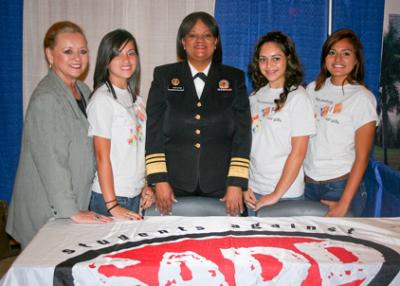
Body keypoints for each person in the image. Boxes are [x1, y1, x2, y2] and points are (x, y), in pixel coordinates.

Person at [6, 21, 111, 249]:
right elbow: (52, 163)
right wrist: (71, 211)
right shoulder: (47, 99)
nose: (77, 58)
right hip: (48, 211)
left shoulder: (82, 90)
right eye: (68, 51)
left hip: (73, 202)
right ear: (49, 55)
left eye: (82, 51)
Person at [145, 11, 251, 216]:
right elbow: (154, 131)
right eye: (193, 35)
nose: (200, 40)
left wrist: (236, 183)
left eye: (207, 35)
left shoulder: (233, 78)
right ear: (183, 42)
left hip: (223, 186)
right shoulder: (164, 76)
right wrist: (159, 180)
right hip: (173, 185)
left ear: (216, 41)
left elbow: (243, 134)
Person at [303, 29, 378, 217]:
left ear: (356, 60)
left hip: (340, 186)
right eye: (332, 52)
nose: (338, 59)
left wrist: (344, 203)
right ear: (325, 57)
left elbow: (362, 157)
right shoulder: (313, 89)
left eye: (346, 53)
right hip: (306, 184)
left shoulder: (362, 97)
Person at [244, 32, 315, 216]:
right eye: (263, 60)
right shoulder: (255, 97)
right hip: (253, 192)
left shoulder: (298, 97)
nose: (269, 66)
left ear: (288, 59)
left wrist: (276, 194)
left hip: (285, 195)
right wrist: (244, 184)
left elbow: (298, 153)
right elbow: (245, 146)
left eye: (276, 58)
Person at [87, 29, 153, 220]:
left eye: (131, 53)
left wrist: (146, 185)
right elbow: (101, 156)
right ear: (106, 60)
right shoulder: (102, 100)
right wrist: (112, 205)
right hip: (111, 197)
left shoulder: (137, 99)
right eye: (118, 54)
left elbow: (140, 150)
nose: (126, 60)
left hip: (135, 195)